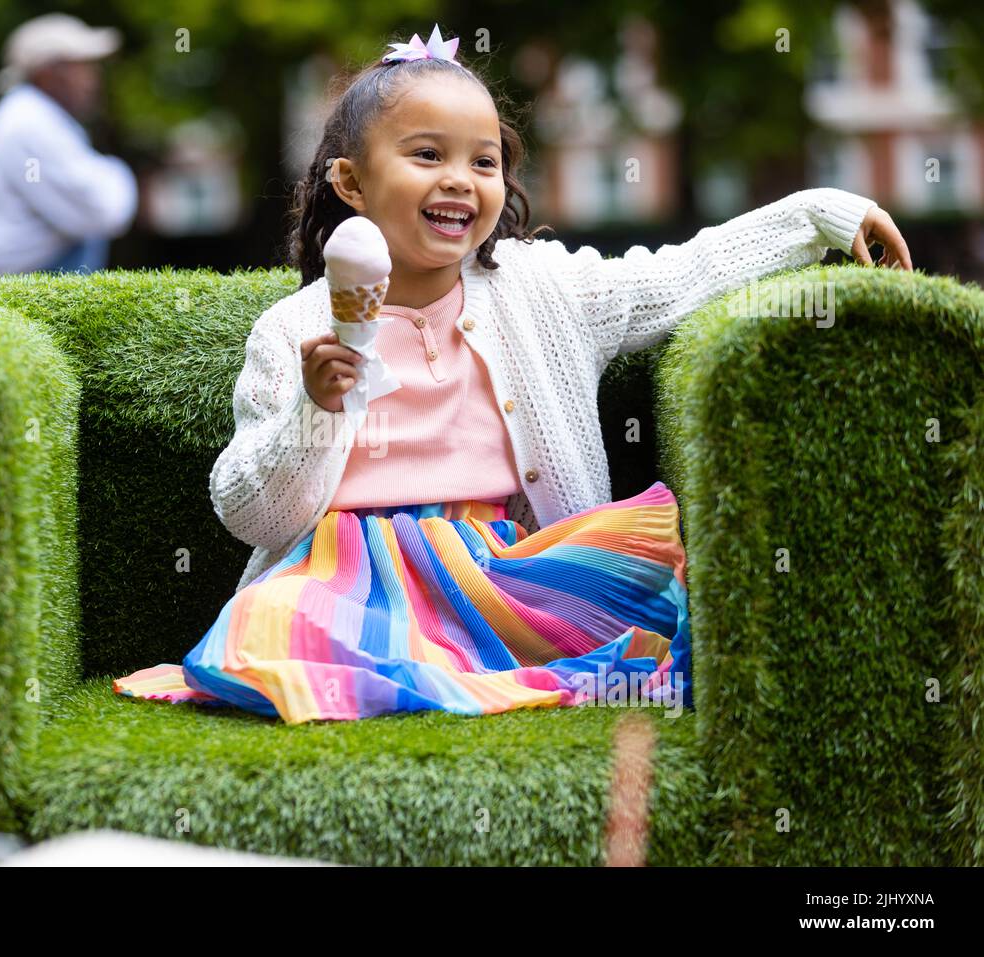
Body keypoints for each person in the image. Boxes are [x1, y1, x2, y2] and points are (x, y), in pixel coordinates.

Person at [112, 25, 913, 724]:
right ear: (351, 183)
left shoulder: (542, 291)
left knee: (644, 586)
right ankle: (393, 670)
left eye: (483, 160)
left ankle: (468, 665)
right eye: (426, 155)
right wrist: (316, 408)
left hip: (508, 566)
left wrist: (818, 215)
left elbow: (678, 274)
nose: (460, 178)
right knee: (270, 622)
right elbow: (248, 508)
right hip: (346, 578)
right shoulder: (294, 329)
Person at [0, 13, 138, 278]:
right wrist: (118, 173)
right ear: (49, 72)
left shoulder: (38, 117)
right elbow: (103, 211)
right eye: (83, 66)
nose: (94, 79)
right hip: (12, 285)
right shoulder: (30, 122)